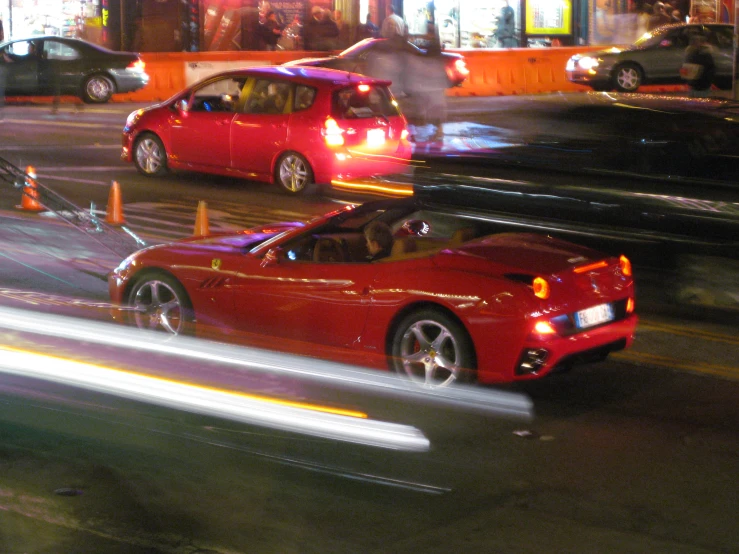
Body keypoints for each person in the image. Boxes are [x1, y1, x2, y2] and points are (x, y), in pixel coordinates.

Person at [682, 33, 715, 97]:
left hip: (699, 84)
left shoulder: (694, 54)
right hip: (699, 84)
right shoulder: (692, 53)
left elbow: (710, 69)